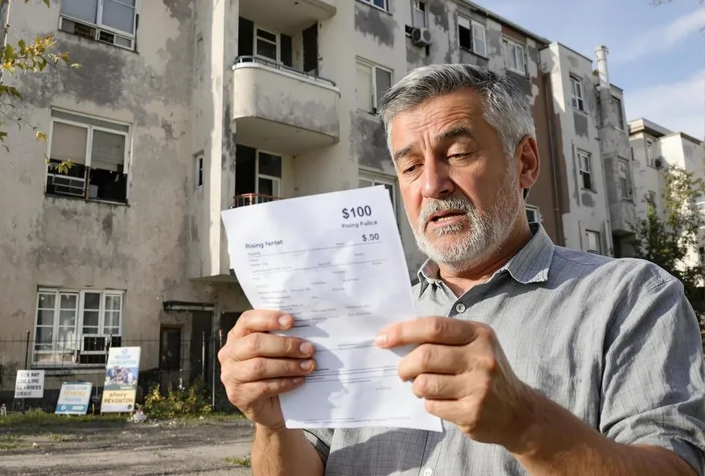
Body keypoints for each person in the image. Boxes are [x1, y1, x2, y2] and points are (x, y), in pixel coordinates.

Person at [217, 64, 705, 475]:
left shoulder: (631, 297)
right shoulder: (358, 313)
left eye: (458, 153)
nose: (432, 184)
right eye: (409, 167)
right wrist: (274, 424)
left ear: (525, 163)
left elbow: (675, 466)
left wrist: (526, 423)